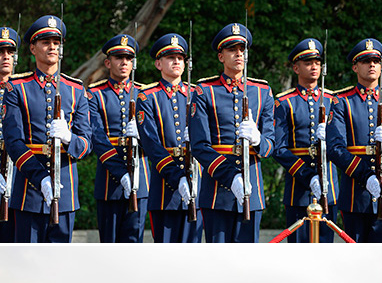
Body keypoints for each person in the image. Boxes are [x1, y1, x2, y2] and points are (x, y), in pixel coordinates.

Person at [3, 14, 92, 243]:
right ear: (32, 48)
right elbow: (14, 142)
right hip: (28, 192)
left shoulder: (76, 89)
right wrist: (41, 178)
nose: (52, 47)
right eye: (45, 42)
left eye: (56, 42)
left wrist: (69, 137)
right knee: (27, 263)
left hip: (65, 192)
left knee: (59, 266)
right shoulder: (17, 88)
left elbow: (86, 144)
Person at [190, 22, 275, 242]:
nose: (239, 54)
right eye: (232, 50)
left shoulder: (262, 91)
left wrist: (258, 140)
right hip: (216, 191)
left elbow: (271, 142)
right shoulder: (205, 91)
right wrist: (231, 176)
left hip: (252, 190)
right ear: (221, 56)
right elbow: (200, 146)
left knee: (248, 262)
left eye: (242, 49)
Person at [326, 37, 382, 242]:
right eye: (366, 61)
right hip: (354, 195)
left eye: (376, 60)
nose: (372, 65)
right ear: (355, 67)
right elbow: (335, 148)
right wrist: (365, 176)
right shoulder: (341, 101)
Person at [136, 32, 202, 243]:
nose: (176, 62)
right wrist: (177, 177)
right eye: (170, 57)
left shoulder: (197, 94)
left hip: (197, 183)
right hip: (163, 188)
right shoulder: (147, 97)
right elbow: (151, 144)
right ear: (158, 64)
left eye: (180, 58)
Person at [274, 37, 339, 242]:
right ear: (296, 67)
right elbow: (279, 149)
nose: (314, 67)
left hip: (329, 186)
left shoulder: (333, 100)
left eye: (317, 63)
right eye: (308, 62)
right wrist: (308, 176)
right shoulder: (285, 102)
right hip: (297, 188)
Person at [88, 33, 149, 243]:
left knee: (134, 242)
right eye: (118, 57)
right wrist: (120, 172)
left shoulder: (145, 94)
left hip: (139, 180)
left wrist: (143, 137)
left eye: (128, 58)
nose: (124, 62)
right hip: (109, 183)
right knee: (110, 244)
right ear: (108, 62)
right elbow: (97, 136)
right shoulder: (96, 94)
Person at [0, 24, 19, 241]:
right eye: (1, 52)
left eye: (10, 52)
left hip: (19, 171)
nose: (6, 57)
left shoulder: (24, 90)